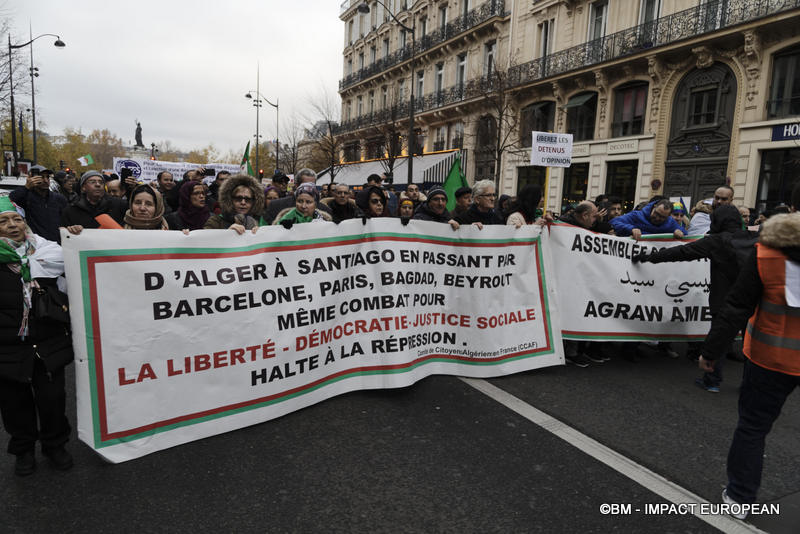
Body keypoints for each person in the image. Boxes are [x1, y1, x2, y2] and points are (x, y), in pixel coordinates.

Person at [698, 184, 800, 518]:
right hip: (771, 360)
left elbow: (736, 307)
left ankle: (740, 497)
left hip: (770, 359)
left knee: (753, 428)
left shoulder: (768, 252)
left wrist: (711, 353)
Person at [633, 205, 755, 392]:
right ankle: (750, 384)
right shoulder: (756, 240)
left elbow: (681, 253)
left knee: (720, 340)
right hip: (753, 301)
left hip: (724, 301)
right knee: (751, 345)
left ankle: (712, 381)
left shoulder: (717, 241)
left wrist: (648, 257)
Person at [0, 196, 74, 476]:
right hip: (7, 348)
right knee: (14, 405)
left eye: (17, 219)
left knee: (53, 399)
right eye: (4, 221)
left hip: (47, 343)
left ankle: (55, 445)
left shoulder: (49, 254)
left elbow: (76, 271)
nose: (12, 225)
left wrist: (77, 237)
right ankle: (24, 450)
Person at [9, 166, 68, 243]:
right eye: (41, 177)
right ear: (32, 177)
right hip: (36, 245)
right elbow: (11, 200)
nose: (46, 180)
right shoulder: (26, 198)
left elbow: (67, 220)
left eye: (47, 177)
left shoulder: (59, 198)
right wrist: (26, 187)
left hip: (57, 244)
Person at [60, 171, 127, 234]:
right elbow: (64, 235)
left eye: (101, 182)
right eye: (92, 182)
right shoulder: (71, 210)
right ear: (83, 187)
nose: (98, 184)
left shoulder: (118, 205)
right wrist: (71, 230)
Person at [263, 168, 330, 224]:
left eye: (312, 185)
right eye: (305, 185)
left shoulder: (325, 210)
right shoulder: (276, 206)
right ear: (297, 185)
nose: (309, 188)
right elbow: (266, 231)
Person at [611, 198, 685, 240]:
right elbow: (613, 222)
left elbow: (685, 234)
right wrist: (631, 229)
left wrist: (680, 232)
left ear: (669, 216)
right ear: (654, 207)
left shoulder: (671, 222)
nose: (657, 218)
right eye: (657, 214)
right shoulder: (637, 215)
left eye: (662, 217)